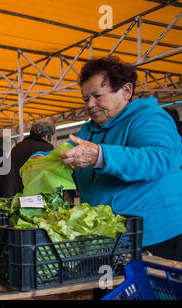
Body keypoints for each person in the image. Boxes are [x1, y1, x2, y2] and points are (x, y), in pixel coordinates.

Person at [60, 56, 182, 261]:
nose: (90, 105)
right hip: (108, 238)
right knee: (110, 291)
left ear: (126, 91)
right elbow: (64, 152)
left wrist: (100, 155)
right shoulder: (88, 130)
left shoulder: (148, 117)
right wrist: (42, 158)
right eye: (85, 98)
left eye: (97, 96)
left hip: (156, 235)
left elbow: (157, 158)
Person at [3, 118, 55, 198]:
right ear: (46, 136)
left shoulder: (17, 146)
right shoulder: (46, 147)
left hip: (11, 192)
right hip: (30, 196)